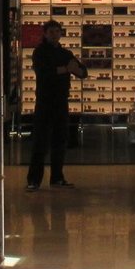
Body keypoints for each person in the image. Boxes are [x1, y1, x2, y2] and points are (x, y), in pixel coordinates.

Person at [26, 19, 86, 191]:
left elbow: (83, 72)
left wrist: (73, 69)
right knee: (40, 142)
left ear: (61, 34)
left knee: (60, 140)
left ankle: (57, 178)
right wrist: (66, 69)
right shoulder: (39, 52)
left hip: (61, 101)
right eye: (51, 32)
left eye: (57, 32)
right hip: (44, 101)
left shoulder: (65, 53)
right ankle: (34, 180)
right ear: (45, 33)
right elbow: (44, 73)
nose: (54, 35)